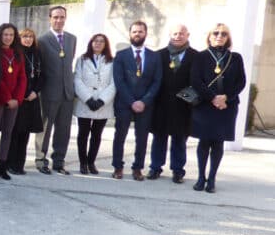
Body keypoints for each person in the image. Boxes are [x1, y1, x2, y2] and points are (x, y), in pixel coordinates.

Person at [190, 24, 246, 193]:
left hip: (226, 107)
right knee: (204, 141)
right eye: (216, 33)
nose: (219, 36)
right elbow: (195, 80)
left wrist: (225, 97)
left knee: (218, 142)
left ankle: (212, 178)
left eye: (223, 34)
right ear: (209, 36)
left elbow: (241, 81)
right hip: (205, 105)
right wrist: (213, 97)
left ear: (228, 38)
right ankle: (201, 177)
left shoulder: (235, 57)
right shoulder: (201, 56)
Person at [111, 21, 163, 180]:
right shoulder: (121, 55)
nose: (137, 34)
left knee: (142, 138)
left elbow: (157, 81)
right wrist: (131, 101)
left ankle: (137, 168)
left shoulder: (155, 56)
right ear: (130, 34)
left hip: (145, 105)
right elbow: (119, 81)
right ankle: (118, 167)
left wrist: (144, 101)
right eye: (134, 31)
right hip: (124, 103)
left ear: (146, 34)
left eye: (140, 31)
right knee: (120, 136)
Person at [147, 24, 197, 183]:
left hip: (183, 106)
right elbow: (152, 79)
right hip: (161, 104)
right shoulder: (158, 55)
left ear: (187, 35)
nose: (178, 36)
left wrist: (185, 96)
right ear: (170, 35)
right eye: (175, 33)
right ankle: (155, 168)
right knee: (159, 138)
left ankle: (178, 171)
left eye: (181, 33)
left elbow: (197, 81)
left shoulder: (196, 56)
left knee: (180, 140)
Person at [35, 6, 77, 174]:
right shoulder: (42, 40)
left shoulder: (72, 39)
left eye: (62, 17)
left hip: (67, 93)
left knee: (64, 129)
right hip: (48, 92)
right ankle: (40, 159)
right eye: (56, 17)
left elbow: (69, 62)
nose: (59, 20)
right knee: (45, 129)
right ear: (50, 19)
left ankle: (59, 161)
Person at [0, 23, 26, 181]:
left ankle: (3, 164)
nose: (8, 37)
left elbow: (22, 77)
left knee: (8, 132)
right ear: (0, 35)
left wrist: (17, 98)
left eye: (11, 35)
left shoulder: (18, 53)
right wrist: (7, 97)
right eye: (5, 34)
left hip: (14, 101)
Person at [73, 33, 116, 175]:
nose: (98, 44)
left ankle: (91, 162)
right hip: (85, 101)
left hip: (103, 103)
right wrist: (88, 99)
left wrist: (102, 100)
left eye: (101, 41)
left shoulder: (112, 61)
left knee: (97, 134)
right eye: (95, 41)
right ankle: (83, 162)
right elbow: (77, 80)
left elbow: (114, 83)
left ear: (106, 44)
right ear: (91, 43)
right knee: (83, 134)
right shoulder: (82, 59)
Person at [7, 28, 42, 176]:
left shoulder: (37, 54)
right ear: (19, 39)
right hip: (19, 98)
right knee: (15, 132)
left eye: (30, 37)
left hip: (32, 99)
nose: (28, 39)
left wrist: (35, 92)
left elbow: (42, 75)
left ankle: (20, 164)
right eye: (25, 37)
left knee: (26, 133)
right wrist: (22, 94)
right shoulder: (16, 54)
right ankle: (10, 163)